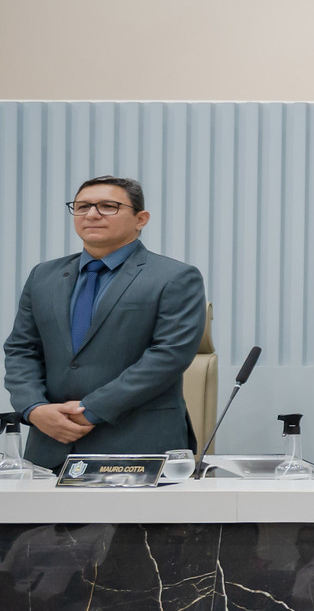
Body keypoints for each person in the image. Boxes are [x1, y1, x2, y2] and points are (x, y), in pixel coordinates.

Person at [4, 175, 207, 469]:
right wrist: (34, 409)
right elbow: (21, 350)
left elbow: (168, 356)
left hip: (137, 443)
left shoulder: (174, 277)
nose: (92, 214)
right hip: (51, 442)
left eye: (108, 206)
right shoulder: (43, 276)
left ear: (141, 218)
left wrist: (91, 410)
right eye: (83, 206)